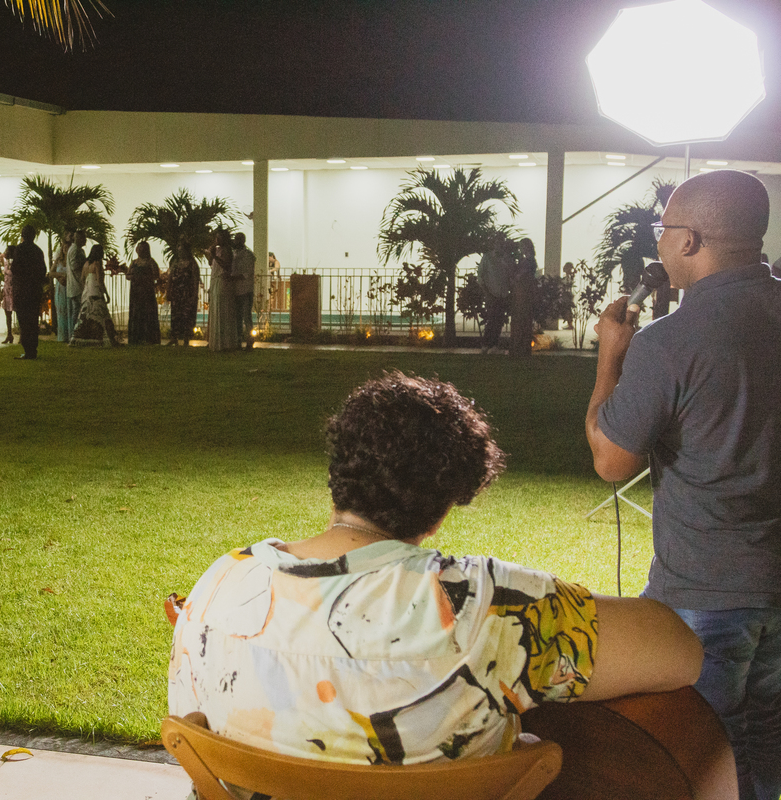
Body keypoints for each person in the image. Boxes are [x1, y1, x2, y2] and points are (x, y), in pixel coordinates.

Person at [171, 373, 702, 783]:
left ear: (338, 475)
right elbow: (681, 651)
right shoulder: (484, 606)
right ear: (445, 507)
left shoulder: (220, 586)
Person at [586, 170, 781, 800]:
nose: (660, 242)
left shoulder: (669, 342)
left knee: (701, 752)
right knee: (766, 741)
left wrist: (611, 356)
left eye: (663, 229)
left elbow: (611, 459)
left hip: (707, 587)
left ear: (689, 240)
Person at [72, 244, 121, 347]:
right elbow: (99, 281)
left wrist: (86, 287)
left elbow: (82, 279)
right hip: (95, 291)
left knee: (86, 314)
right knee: (100, 313)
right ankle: (105, 337)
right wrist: (105, 293)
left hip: (87, 291)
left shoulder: (86, 264)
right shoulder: (97, 264)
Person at [10, 225, 47, 359]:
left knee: (24, 321)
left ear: (23, 235)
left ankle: (27, 349)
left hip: (22, 290)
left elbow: (15, 268)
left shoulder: (20, 250)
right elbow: (42, 270)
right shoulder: (38, 251)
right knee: (33, 320)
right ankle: (33, 349)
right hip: (34, 290)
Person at [476, 236, 513, 354]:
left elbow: (510, 275)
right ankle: (486, 345)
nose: (500, 245)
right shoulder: (487, 258)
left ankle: (494, 345)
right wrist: (486, 292)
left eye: (501, 243)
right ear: (494, 244)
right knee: (492, 319)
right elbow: (480, 276)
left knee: (499, 320)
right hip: (491, 293)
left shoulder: (506, 258)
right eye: (498, 243)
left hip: (503, 294)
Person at [206, 229, 238, 351]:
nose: (217, 240)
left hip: (222, 280)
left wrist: (215, 256)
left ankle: (225, 342)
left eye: (219, 238)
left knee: (222, 309)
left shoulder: (227, 250)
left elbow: (226, 265)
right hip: (215, 280)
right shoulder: (217, 250)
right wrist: (211, 254)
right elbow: (211, 262)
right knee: (215, 309)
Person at [126, 240, 161, 345]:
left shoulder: (151, 262)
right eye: (139, 248)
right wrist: (133, 276)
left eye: (142, 249)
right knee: (136, 313)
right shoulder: (134, 263)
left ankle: (149, 338)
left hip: (147, 292)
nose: (140, 251)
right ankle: (136, 338)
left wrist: (145, 278)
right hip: (135, 292)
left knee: (147, 314)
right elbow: (128, 275)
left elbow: (156, 275)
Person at [166, 241, 200, 346]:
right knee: (175, 315)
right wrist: (168, 291)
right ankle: (174, 338)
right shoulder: (175, 263)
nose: (180, 253)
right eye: (179, 250)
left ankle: (186, 338)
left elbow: (195, 280)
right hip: (176, 292)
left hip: (187, 293)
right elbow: (170, 277)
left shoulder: (192, 264)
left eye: (182, 250)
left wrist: (194, 295)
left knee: (187, 316)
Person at [508, 237, 537, 357]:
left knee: (522, 320)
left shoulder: (528, 261)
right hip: (524, 293)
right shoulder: (528, 260)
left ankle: (520, 347)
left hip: (523, 294)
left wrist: (514, 278)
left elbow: (520, 276)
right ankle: (522, 347)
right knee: (523, 321)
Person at [230, 232, 256, 350]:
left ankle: (249, 340)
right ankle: (238, 340)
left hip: (246, 290)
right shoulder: (233, 254)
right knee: (237, 317)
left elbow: (246, 274)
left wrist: (232, 277)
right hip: (235, 290)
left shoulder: (248, 255)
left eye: (238, 239)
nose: (236, 241)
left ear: (243, 241)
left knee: (246, 316)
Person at [51, 231, 73, 342]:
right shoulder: (58, 260)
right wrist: (60, 276)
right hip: (60, 288)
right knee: (61, 311)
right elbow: (51, 272)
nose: (65, 249)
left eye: (67, 248)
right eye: (64, 247)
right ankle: (62, 335)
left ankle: (70, 334)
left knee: (70, 311)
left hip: (70, 286)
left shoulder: (71, 261)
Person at [66, 229, 87, 335]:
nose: (85, 240)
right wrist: (85, 264)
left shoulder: (77, 250)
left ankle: (75, 333)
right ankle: (74, 333)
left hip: (76, 284)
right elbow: (74, 266)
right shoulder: (75, 250)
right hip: (76, 284)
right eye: (84, 238)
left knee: (77, 310)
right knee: (77, 311)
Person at [0, 245, 15, 344]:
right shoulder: (6, 263)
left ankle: (22, 335)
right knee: (7, 313)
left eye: (7, 251)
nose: (5, 253)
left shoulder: (16, 263)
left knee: (17, 311)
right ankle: (9, 334)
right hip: (7, 289)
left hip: (13, 289)